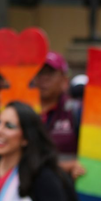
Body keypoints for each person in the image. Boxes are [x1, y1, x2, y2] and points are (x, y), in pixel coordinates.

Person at [35, 51, 86, 181]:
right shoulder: (22, 111)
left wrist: (75, 166)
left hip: (64, 190)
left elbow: (92, 158)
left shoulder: (77, 111)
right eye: (40, 72)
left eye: (50, 73)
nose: (43, 79)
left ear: (64, 79)